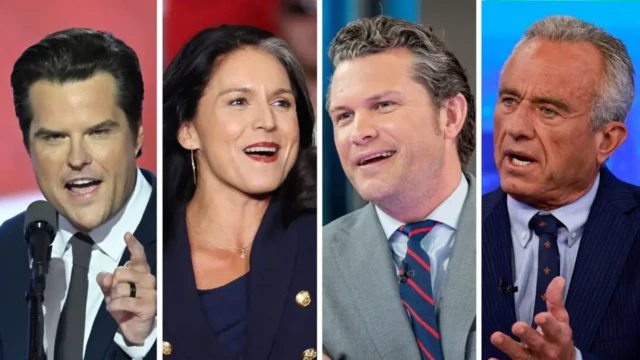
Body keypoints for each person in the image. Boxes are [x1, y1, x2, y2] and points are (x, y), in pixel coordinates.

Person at [482, 15, 640, 360]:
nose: (516, 127)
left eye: (548, 110)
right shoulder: (454, 229)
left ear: (607, 141)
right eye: (509, 100)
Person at [323, 16, 477, 360]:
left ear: (450, 115)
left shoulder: (526, 232)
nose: (358, 132)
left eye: (383, 105)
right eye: (343, 116)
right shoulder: (311, 265)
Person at [0, 29, 157, 359]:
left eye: (98, 132)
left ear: (138, 134)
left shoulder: (189, 240)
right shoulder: (8, 249)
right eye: (54, 137)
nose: (77, 159)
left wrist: (141, 345)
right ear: (29, 146)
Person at [162, 25, 317, 359]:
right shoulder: (145, 257)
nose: (267, 121)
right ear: (188, 131)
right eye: (238, 101)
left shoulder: (327, 250)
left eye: (281, 102)